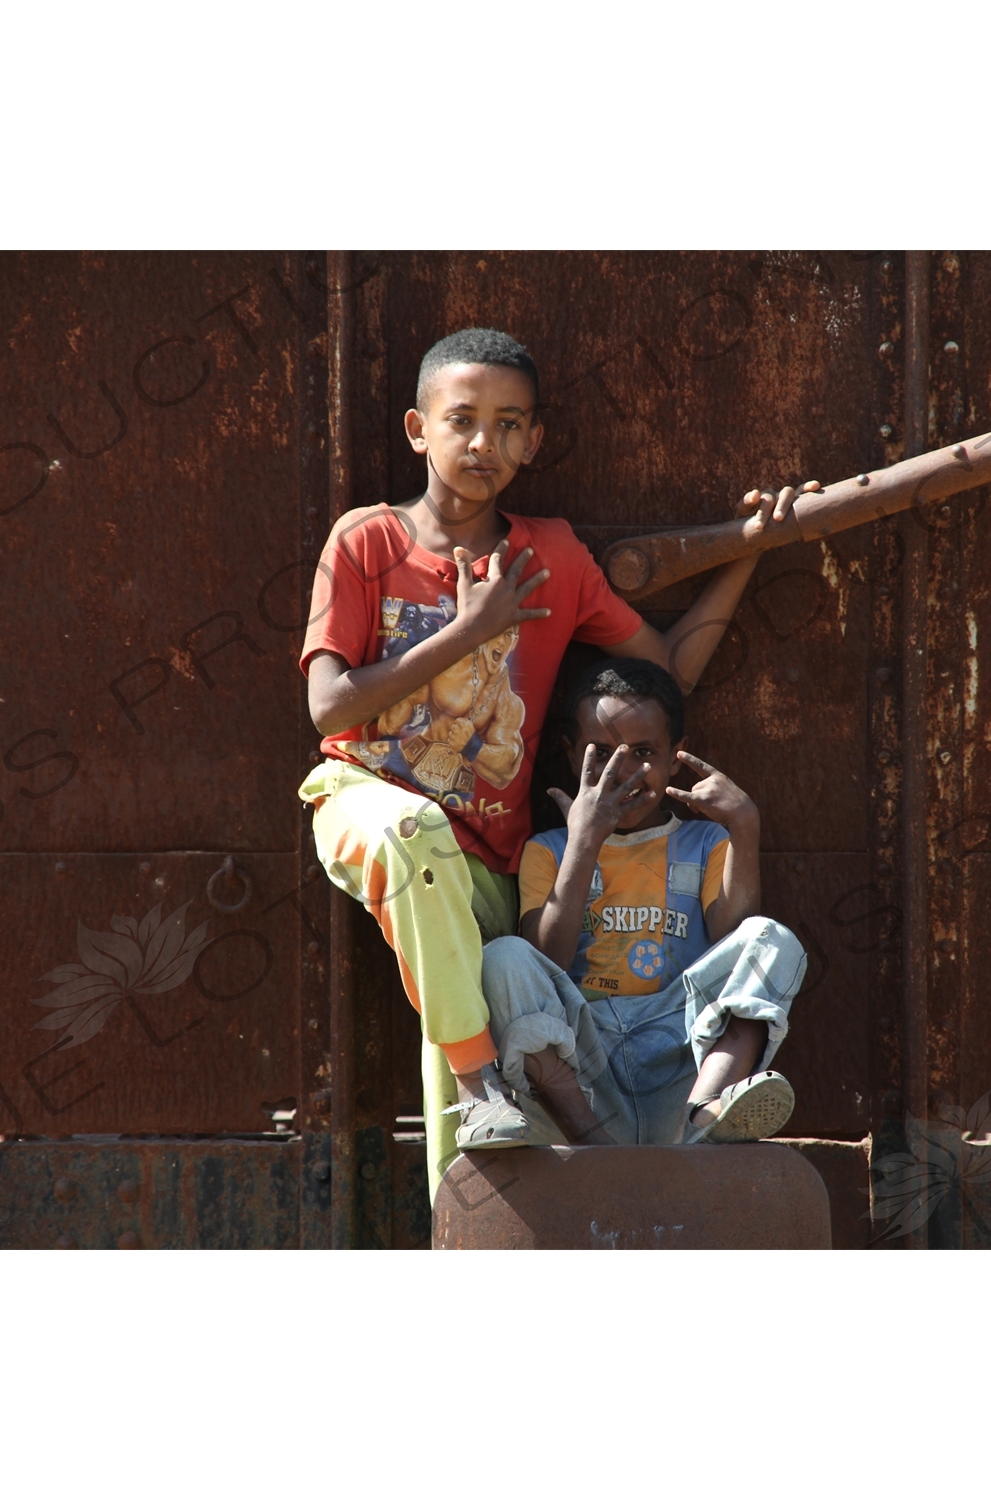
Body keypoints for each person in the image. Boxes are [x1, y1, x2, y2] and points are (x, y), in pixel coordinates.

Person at [298, 327, 800, 1190]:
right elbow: (330, 705)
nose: (483, 442)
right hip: (366, 800)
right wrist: (471, 631)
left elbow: (665, 670)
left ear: (534, 441)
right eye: (462, 421)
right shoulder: (366, 543)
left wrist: (748, 555)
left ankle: (459, 1223)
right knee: (417, 843)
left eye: (508, 424)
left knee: (470, 1001)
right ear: (419, 429)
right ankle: (478, 1083)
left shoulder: (552, 558)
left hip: (485, 851)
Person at [481, 659, 806, 1147]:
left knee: (774, 940)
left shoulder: (706, 842)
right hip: (586, 1075)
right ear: (570, 756)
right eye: (603, 753)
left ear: (676, 757)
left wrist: (745, 826)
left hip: (681, 1059)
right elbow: (547, 959)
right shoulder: (548, 849)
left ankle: (705, 1111)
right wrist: (584, 844)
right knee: (502, 958)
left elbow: (733, 938)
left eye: (643, 752)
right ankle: (593, 1145)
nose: (623, 771)